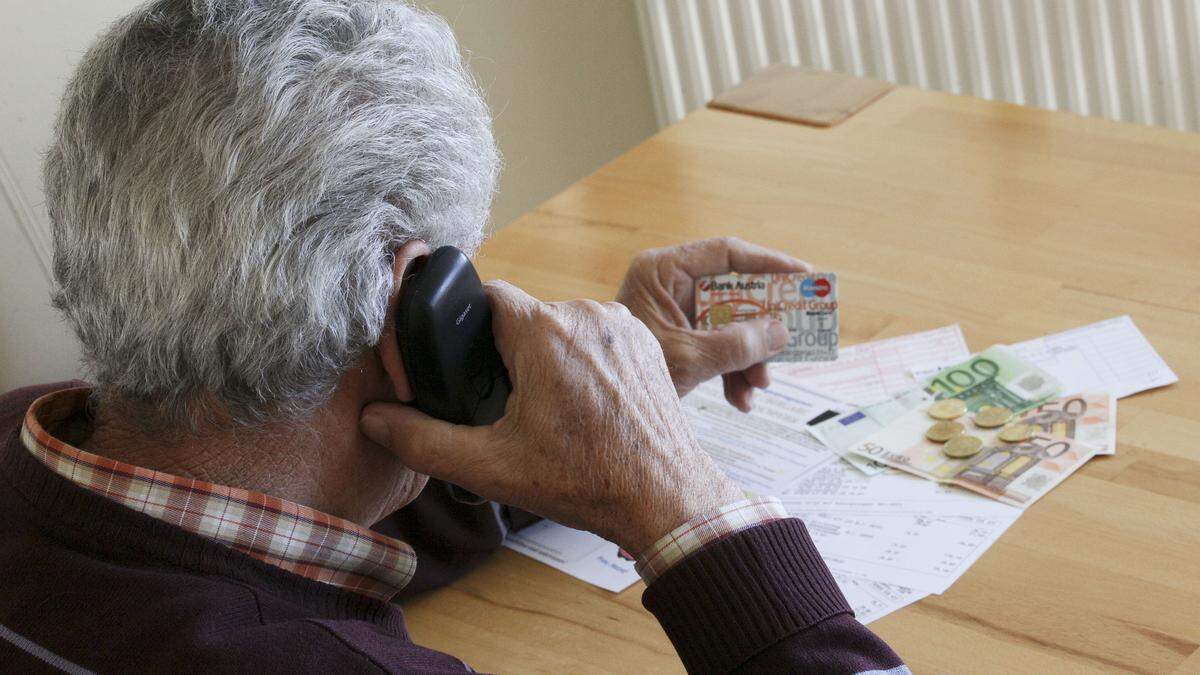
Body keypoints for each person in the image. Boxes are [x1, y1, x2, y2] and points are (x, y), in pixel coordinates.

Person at [0, 1, 907, 672]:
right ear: (415, 314)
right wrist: (678, 501)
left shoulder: (30, 438)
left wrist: (572, 425)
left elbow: (277, 511)